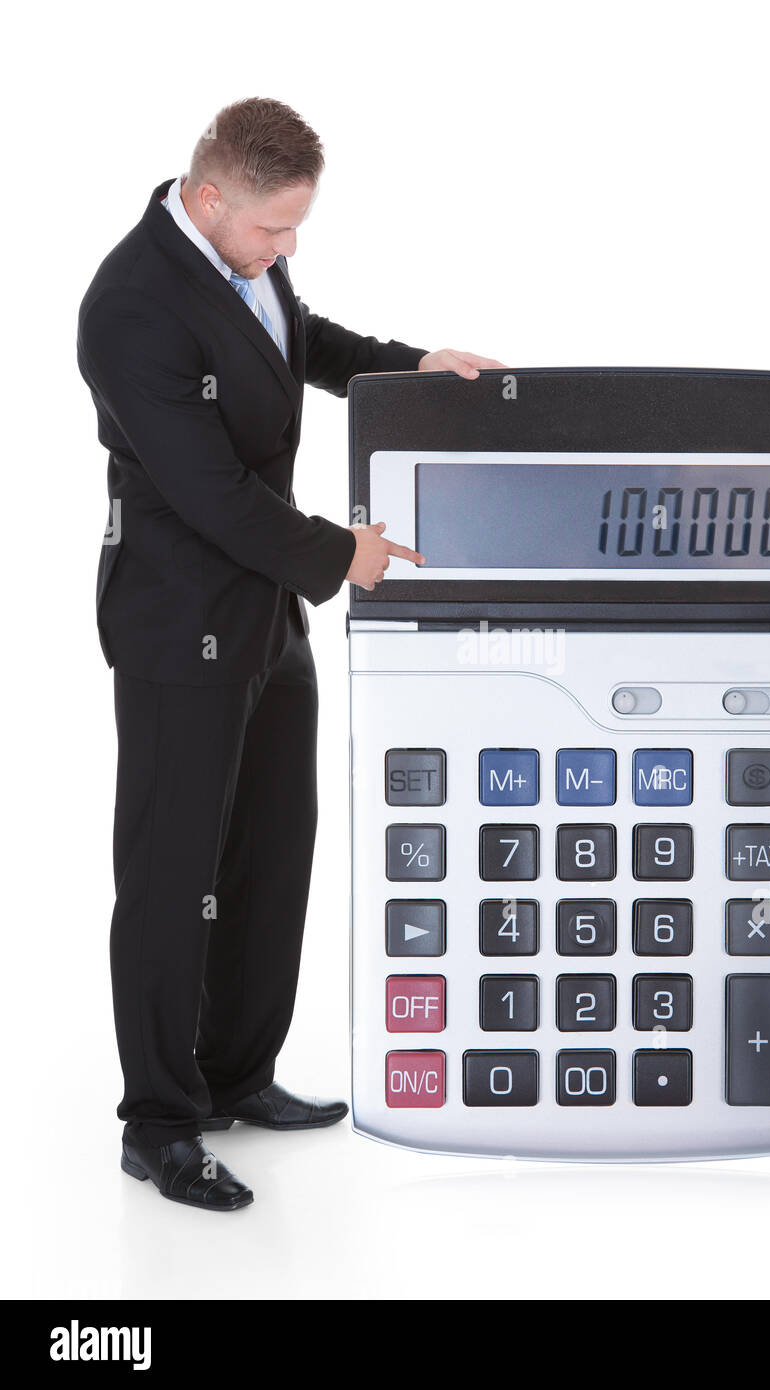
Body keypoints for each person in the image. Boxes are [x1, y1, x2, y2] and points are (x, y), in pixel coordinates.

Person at [77, 96, 505, 1211]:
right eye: (274, 229)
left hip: (269, 608)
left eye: (296, 230)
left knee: (272, 849)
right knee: (172, 877)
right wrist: (341, 553)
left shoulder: (243, 260)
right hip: (181, 617)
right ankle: (161, 1123)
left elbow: (298, 341)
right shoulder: (127, 306)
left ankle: (237, 1074)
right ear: (209, 196)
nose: (287, 250)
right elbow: (208, 490)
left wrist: (413, 365)